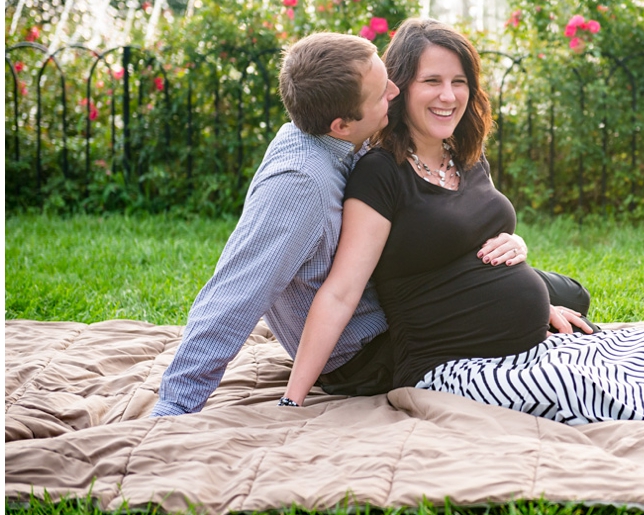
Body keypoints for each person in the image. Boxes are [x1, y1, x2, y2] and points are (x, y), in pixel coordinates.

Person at [281, 20, 644, 440]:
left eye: (459, 81)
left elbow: (466, 240)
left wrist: (526, 271)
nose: (448, 96)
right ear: (399, 88)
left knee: (642, 345)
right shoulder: (381, 173)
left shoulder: (463, 153)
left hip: (515, 335)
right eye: (431, 81)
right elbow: (343, 289)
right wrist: (293, 399)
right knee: (575, 385)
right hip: (444, 361)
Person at [150, 32, 591, 417]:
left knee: (569, 294)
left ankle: (531, 299)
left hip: (408, 297)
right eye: (383, 92)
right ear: (342, 123)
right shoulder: (299, 185)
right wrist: (175, 404)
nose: (396, 92)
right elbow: (236, 292)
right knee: (541, 299)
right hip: (367, 349)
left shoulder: (334, 137)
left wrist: (510, 252)